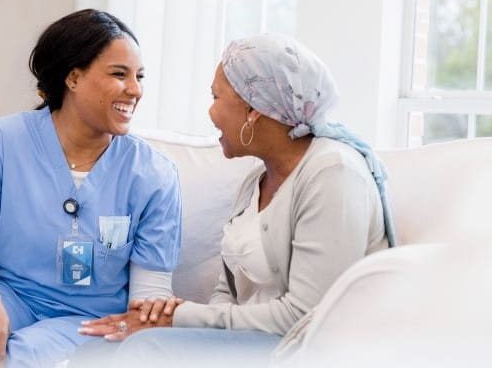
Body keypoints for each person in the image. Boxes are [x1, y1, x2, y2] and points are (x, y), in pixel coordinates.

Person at [70, 34, 397, 367]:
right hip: (245, 344)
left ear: (254, 108)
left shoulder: (333, 173)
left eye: (216, 96)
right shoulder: (255, 182)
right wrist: (173, 319)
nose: (211, 113)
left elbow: (306, 316)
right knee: (101, 345)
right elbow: (227, 296)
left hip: (298, 351)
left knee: (147, 348)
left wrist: (179, 318)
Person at [0, 9, 182, 367]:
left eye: (139, 76)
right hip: (8, 294)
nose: (135, 90)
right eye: (119, 74)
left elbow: (149, 293)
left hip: (87, 319)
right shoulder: (1, 142)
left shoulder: (155, 173)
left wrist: (139, 326)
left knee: (14, 360)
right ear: (73, 77)